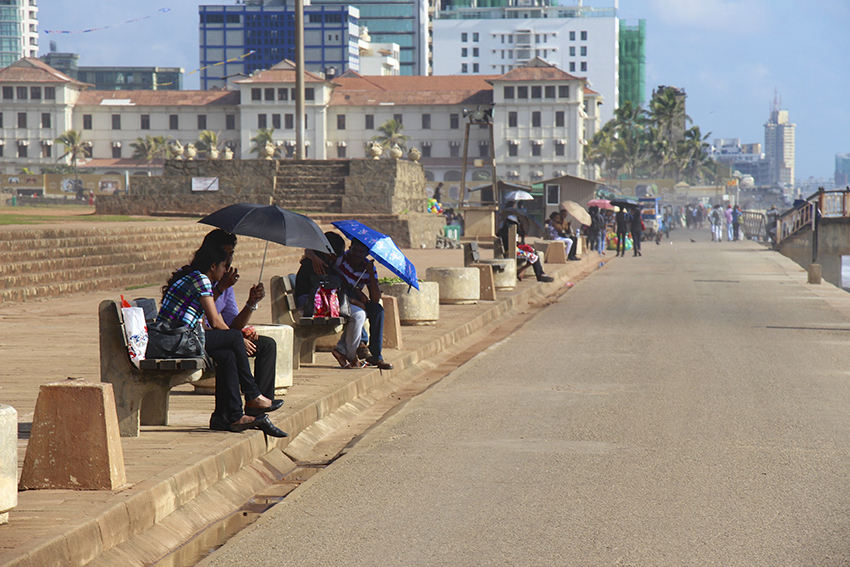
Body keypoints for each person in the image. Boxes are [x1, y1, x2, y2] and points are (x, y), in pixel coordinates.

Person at [156, 244, 287, 437]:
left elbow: (202, 323)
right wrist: (237, 339)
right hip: (176, 340)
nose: (226, 270)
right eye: (224, 266)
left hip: (184, 338)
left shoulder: (196, 279)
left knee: (227, 354)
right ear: (213, 266)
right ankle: (252, 395)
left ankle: (231, 416)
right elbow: (216, 321)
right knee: (234, 337)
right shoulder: (201, 279)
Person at [201, 230, 282, 406]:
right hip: (199, 336)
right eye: (225, 256)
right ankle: (249, 398)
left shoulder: (224, 281)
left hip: (221, 334)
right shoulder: (200, 280)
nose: (229, 262)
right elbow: (207, 319)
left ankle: (262, 403)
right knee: (229, 353)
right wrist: (220, 288)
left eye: (231, 254)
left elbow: (232, 323)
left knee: (267, 345)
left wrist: (251, 303)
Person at [331, 239, 394, 370]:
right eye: (355, 250)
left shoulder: (368, 268)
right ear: (350, 248)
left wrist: (371, 273)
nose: (357, 255)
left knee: (377, 310)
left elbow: (375, 298)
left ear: (366, 254)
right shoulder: (340, 259)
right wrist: (356, 294)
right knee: (360, 311)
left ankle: (376, 355)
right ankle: (360, 344)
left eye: (361, 252)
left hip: (354, 300)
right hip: (337, 298)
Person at [498, 215, 554, 282]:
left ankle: (523, 271)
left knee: (533, 253)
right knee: (534, 256)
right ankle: (539, 275)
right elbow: (511, 243)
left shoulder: (503, 231)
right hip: (512, 252)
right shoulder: (509, 232)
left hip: (511, 250)